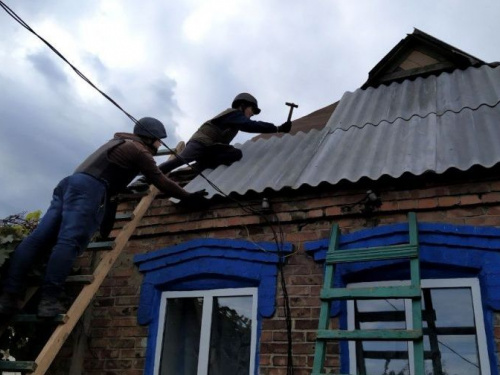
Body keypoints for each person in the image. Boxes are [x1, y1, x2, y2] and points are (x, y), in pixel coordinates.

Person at [0, 117, 205, 318]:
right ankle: (49, 300)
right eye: (160, 139)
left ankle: (9, 297)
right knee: (69, 241)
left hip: (68, 184)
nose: (160, 143)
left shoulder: (115, 142)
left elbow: (112, 196)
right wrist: (187, 196)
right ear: (151, 137)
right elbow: (160, 180)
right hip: (88, 188)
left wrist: (106, 228)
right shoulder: (139, 150)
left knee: (38, 239)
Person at [129, 93, 292, 191]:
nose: (252, 114)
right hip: (201, 142)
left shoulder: (237, 120)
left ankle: (199, 168)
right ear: (243, 106)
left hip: (210, 148)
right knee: (182, 159)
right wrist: (276, 128)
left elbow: (248, 125)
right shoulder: (234, 114)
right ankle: (145, 177)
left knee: (234, 153)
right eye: (252, 110)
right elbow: (250, 126)